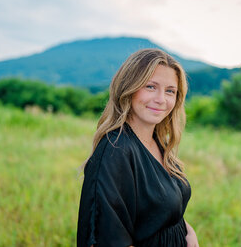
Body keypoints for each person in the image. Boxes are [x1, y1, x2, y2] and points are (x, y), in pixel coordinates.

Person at [77, 48, 199, 247]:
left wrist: (188, 232)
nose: (161, 99)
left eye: (170, 91)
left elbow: (158, 213)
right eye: (151, 87)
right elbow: (108, 239)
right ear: (129, 88)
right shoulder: (116, 150)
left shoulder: (158, 144)